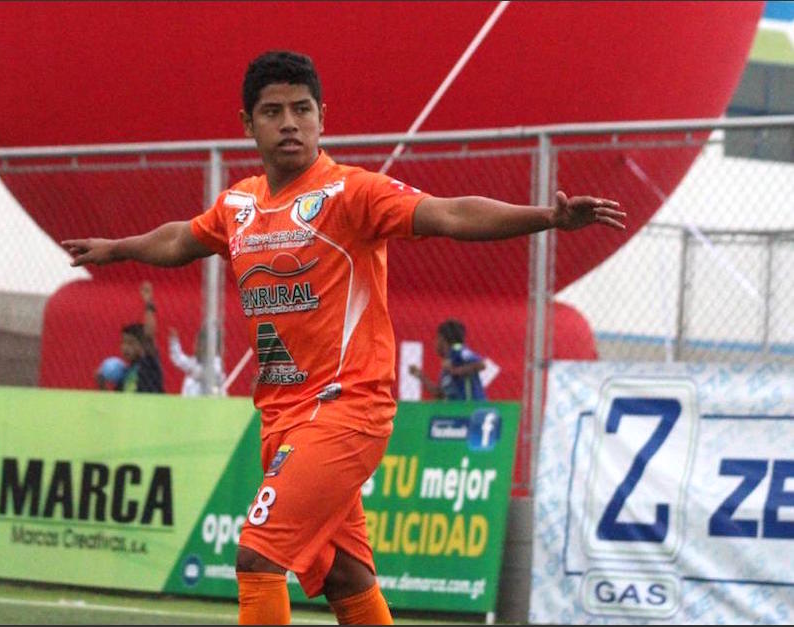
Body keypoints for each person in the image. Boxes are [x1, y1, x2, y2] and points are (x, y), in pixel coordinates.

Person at [63, 50, 625, 625]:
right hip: (282, 416)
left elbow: (451, 214)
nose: (289, 123)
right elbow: (183, 238)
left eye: (302, 110)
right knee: (344, 576)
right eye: (273, 111)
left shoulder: (350, 194)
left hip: (346, 410)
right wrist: (120, 248)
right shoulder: (239, 205)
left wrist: (547, 217)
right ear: (247, 124)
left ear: (322, 117)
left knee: (257, 556)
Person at [96, 282, 165, 393]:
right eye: (123, 343)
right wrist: (101, 383)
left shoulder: (148, 364)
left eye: (131, 343)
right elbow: (115, 403)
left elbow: (149, 336)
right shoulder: (125, 375)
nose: (125, 347)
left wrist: (149, 304)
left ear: (142, 345)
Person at [408, 318, 487, 401]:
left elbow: (481, 365)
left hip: (471, 409)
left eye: (437, 338)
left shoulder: (458, 349)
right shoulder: (446, 367)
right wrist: (420, 376)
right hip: (455, 411)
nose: (435, 343)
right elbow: (438, 393)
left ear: (442, 339)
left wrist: (454, 371)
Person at [168, 326, 226, 396]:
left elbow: (211, 373)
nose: (195, 347)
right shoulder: (195, 362)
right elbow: (179, 359)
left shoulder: (216, 362)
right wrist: (174, 342)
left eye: (199, 344)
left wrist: (194, 371)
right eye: (196, 343)